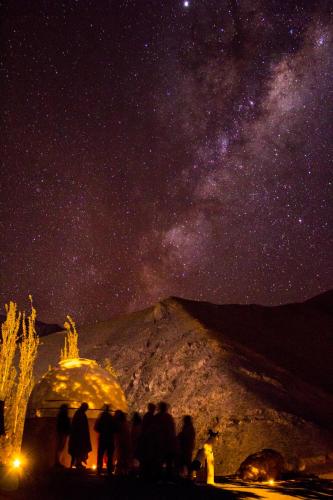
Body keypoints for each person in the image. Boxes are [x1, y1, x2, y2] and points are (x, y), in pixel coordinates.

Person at [153, 401, 177, 479]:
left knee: (159, 461)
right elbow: (172, 431)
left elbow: (153, 430)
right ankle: (167, 477)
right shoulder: (169, 418)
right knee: (168, 462)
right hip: (167, 444)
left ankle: (158, 477)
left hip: (159, 443)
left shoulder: (157, 417)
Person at [68, 402, 92, 468]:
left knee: (78, 451)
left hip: (78, 437)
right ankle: (78, 463)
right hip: (79, 437)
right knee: (79, 450)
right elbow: (81, 426)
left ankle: (77, 463)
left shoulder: (78, 413)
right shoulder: (80, 414)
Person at [94, 404, 115, 474]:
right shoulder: (111, 418)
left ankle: (99, 469)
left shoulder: (101, 417)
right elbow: (115, 428)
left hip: (102, 438)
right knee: (110, 455)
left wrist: (102, 431)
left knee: (100, 454)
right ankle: (109, 470)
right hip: (110, 439)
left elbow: (96, 427)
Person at [140, 403, 156, 478]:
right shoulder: (151, 417)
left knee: (145, 457)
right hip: (149, 441)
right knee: (148, 457)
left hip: (146, 440)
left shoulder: (147, 416)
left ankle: (144, 473)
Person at [114, 410, 131, 475]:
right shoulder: (125, 423)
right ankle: (123, 471)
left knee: (121, 456)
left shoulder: (120, 424)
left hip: (122, 442)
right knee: (123, 456)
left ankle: (120, 471)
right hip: (123, 442)